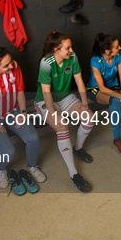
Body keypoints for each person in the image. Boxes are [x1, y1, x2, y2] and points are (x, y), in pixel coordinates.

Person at [0, 46, 46, 193]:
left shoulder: (15, 67)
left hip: (11, 111)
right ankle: (1, 170)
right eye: (6, 65)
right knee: (8, 150)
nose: (11, 66)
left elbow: (20, 91)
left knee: (33, 138)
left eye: (11, 61)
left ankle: (32, 166)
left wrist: (23, 113)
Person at [34, 31, 94, 193]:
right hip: (45, 100)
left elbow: (79, 80)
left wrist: (84, 103)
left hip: (65, 97)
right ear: (56, 49)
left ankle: (78, 148)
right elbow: (46, 92)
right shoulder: (46, 63)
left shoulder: (72, 57)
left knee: (89, 118)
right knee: (62, 126)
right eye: (67, 48)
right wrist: (53, 113)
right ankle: (74, 174)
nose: (71, 50)